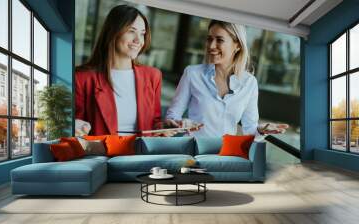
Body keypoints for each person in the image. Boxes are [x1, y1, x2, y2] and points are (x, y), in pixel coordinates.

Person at [165, 20, 288, 137]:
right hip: (194, 154)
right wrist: (176, 124)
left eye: (219, 40)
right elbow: (173, 115)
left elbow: (250, 130)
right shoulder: (192, 74)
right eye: (209, 39)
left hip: (225, 155)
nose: (211, 46)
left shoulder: (249, 83)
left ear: (238, 46)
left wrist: (262, 130)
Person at [76, 5, 172, 136]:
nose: (139, 40)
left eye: (142, 33)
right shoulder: (82, 78)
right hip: (101, 154)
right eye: (131, 31)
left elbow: (153, 123)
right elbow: (75, 129)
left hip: (141, 155)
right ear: (113, 32)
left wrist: (165, 127)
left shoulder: (153, 76)